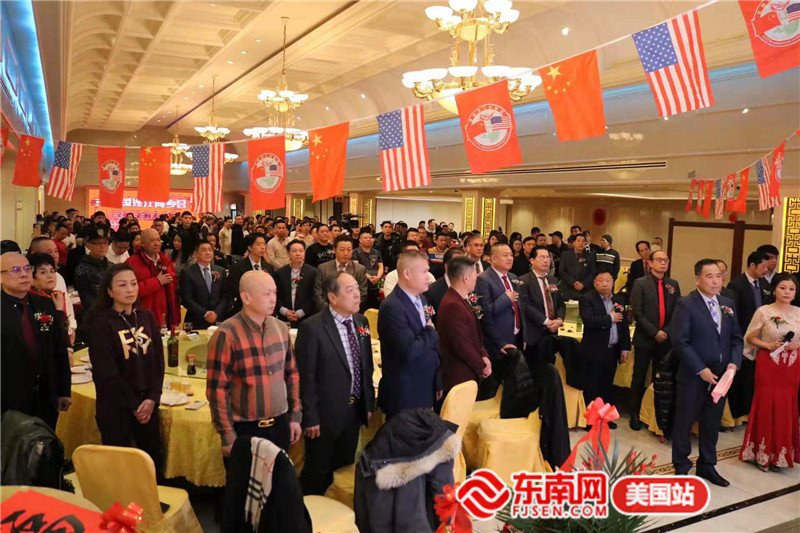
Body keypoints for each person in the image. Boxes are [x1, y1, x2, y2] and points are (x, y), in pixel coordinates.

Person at [295, 272, 375, 495]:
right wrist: (310, 417)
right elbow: (305, 377)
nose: (357, 294)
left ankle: (337, 511)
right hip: (324, 416)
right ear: (332, 297)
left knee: (344, 469)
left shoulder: (361, 322)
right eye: (350, 290)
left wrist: (368, 403)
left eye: (357, 289)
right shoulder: (312, 328)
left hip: (354, 411)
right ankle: (309, 512)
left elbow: (366, 366)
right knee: (317, 473)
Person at [207, 270, 302, 455]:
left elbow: (292, 374)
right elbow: (217, 390)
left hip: (280, 424)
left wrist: (295, 416)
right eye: (266, 294)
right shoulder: (227, 334)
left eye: (274, 293)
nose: (273, 299)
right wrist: (227, 435)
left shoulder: (281, 328)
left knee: (281, 474)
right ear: (246, 297)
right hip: (245, 429)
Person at [87, 264, 165, 472]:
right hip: (116, 408)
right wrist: (135, 404)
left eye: (133, 284)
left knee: (153, 464)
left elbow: (158, 361)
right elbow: (106, 373)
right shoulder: (101, 323)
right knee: (121, 470)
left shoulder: (146, 317)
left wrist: (153, 397)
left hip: (148, 405)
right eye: (122, 285)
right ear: (110, 291)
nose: (130, 289)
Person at [671, 260, 743, 486]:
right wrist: (700, 369)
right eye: (709, 276)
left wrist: (733, 364)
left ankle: (707, 465)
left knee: (712, 422)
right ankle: (681, 467)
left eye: (719, 276)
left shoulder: (727, 304)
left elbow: (737, 339)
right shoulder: (686, 304)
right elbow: (680, 341)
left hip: (721, 376)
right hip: (693, 375)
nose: (715, 281)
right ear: (697, 279)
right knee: (684, 422)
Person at [1, 252, 71, 429]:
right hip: (9, 399)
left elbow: (59, 349)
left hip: (46, 395)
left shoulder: (44, 304)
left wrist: (64, 390)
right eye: (15, 270)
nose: (24, 274)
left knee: (46, 439)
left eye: (27, 269)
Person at [739, 273, 800, 471]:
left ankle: (782, 453)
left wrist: (797, 345)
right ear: (774, 290)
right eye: (783, 288)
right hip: (768, 363)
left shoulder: (799, 312)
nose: (787, 292)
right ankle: (762, 453)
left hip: (791, 366)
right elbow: (750, 337)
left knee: (786, 405)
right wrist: (768, 345)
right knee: (766, 404)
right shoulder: (764, 311)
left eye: (791, 289)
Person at [377, 250, 441, 416]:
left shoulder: (422, 299)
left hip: (425, 384)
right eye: (424, 272)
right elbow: (409, 350)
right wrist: (431, 332)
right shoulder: (393, 306)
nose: (428, 277)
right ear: (407, 273)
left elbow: (431, 348)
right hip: (405, 392)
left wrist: (436, 380)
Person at [629, 250, 681, 430]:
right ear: (650, 263)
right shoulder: (640, 283)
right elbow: (638, 312)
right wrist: (654, 332)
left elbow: (677, 311)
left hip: (665, 339)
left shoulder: (673, 284)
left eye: (666, 260)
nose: (663, 263)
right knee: (639, 377)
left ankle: (655, 416)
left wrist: (665, 332)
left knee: (660, 378)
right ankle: (635, 413)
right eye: (659, 260)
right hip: (645, 338)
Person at [727, 250, 774, 420]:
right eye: (763, 267)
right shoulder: (736, 285)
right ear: (752, 265)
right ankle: (737, 413)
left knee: (753, 376)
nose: (766, 270)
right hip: (743, 335)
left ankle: (750, 412)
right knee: (741, 376)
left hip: (761, 338)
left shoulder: (764, 284)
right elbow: (735, 314)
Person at [437, 255, 492, 397]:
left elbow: (474, 335)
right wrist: (481, 365)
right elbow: (462, 344)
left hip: (466, 372)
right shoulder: (453, 304)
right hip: (459, 376)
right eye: (474, 274)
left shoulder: (460, 298)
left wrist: (484, 355)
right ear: (466, 278)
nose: (477, 278)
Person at [579, 271, 631, 418]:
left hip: (612, 350)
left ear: (613, 283)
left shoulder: (619, 299)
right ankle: (590, 419)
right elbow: (588, 320)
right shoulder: (587, 298)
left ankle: (604, 418)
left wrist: (625, 348)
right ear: (595, 283)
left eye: (608, 280)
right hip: (594, 350)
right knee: (592, 386)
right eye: (600, 281)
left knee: (607, 386)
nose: (604, 284)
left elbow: (624, 326)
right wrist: (610, 318)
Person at [476, 243, 525, 397]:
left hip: (515, 337)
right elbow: (484, 314)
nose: (510, 258)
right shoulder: (483, 279)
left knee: (511, 387)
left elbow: (520, 308)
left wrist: (523, 335)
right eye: (505, 255)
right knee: (492, 389)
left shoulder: (513, 278)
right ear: (493, 258)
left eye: (511, 255)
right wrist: (505, 299)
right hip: (496, 343)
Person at [125, 228, 180, 329]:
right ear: (142, 243)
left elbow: (174, 293)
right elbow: (129, 291)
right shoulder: (132, 263)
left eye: (158, 240)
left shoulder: (166, 261)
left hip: (165, 317)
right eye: (152, 240)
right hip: (143, 318)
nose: (156, 243)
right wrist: (157, 281)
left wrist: (175, 320)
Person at [519, 245, 565, 367]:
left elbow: (560, 303)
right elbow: (525, 306)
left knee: (549, 367)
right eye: (542, 257)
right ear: (532, 260)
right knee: (534, 368)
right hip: (534, 333)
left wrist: (559, 319)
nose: (546, 260)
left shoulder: (553, 280)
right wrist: (546, 321)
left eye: (548, 258)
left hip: (552, 332)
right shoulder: (524, 280)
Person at [27, 236, 77, 343]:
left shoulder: (58, 278)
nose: (54, 255)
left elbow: (68, 308)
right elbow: (47, 334)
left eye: (56, 251)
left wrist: (71, 328)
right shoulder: (32, 301)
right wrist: (58, 309)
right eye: (43, 272)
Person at [179, 240, 229, 330]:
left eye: (210, 250)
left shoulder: (221, 271)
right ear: (195, 254)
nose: (208, 253)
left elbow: (225, 296)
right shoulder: (187, 272)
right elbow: (187, 299)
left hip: (218, 319)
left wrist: (216, 313)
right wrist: (205, 313)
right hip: (196, 319)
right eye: (204, 250)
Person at [226, 234, 276, 318]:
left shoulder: (268, 267)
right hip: (244, 308)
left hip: (265, 309)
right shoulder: (238, 266)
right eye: (258, 244)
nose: (263, 247)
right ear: (249, 248)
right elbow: (233, 289)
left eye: (264, 244)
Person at [314, 235, 368, 310]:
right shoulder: (323, 268)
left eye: (349, 250)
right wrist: (330, 310)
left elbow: (362, 294)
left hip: (350, 311)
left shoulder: (360, 269)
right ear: (334, 250)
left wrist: (346, 309)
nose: (346, 253)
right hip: (327, 311)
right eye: (342, 250)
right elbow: (318, 294)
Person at [275, 240, 318, 327]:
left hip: (306, 317)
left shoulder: (313, 272)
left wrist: (300, 313)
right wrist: (285, 311)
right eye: (294, 251)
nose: (298, 254)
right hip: (284, 318)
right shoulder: (280, 273)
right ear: (288, 253)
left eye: (301, 251)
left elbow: (314, 296)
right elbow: (276, 295)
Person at [74, 225, 112, 312]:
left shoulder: (111, 266)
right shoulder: (83, 270)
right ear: (88, 245)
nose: (102, 246)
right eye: (97, 243)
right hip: (95, 314)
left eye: (105, 243)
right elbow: (88, 301)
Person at [423, 248, 467, 322]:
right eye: (458, 264)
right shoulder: (432, 292)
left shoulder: (468, 287)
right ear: (446, 266)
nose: (462, 268)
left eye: (465, 264)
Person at [558, 233, 596, 301]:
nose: (581, 243)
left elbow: (592, 273)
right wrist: (573, 282)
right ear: (574, 242)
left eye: (583, 241)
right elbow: (562, 271)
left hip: (585, 289)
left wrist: (583, 284)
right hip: (568, 288)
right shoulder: (565, 254)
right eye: (578, 241)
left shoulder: (590, 256)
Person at [353, 228, 384, 311]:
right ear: (360, 240)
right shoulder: (355, 252)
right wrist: (369, 277)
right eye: (365, 238)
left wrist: (378, 277)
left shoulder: (376, 252)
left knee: (374, 309)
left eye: (370, 238)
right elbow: (357, 267)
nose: (368, 239)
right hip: (362, 284)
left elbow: (381, 266)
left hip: (375, 284)